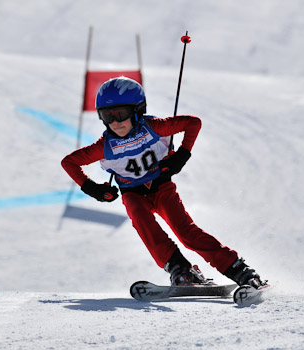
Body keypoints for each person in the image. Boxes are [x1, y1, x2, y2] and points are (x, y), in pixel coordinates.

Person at [61, 76, 267, 289]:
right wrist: (92, 188)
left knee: (186, 232)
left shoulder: (153, 127)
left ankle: (240, 271)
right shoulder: (105, 146)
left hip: (161, 187)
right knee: (144, 225)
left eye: (121, 114)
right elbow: (69, 162)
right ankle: (180, 269)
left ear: (138, 110)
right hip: (132, 192)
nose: (115, 122)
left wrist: (181, 155)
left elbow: (192, 123)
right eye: (107, 116)